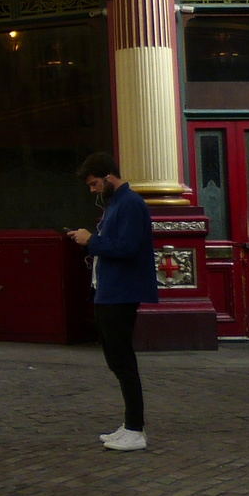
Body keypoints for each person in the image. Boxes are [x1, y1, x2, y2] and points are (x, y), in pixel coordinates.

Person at [68, 152, 159, 452]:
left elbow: (128, 247)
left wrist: (90, 240)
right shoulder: (116, 204)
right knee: (116, 360)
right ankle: (130, 425)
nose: (93, 190)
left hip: (121, 294)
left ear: (108, 177)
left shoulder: (130, 203)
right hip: (109, 292)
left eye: (94, 184)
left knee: (123, 361)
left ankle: (135, 429)